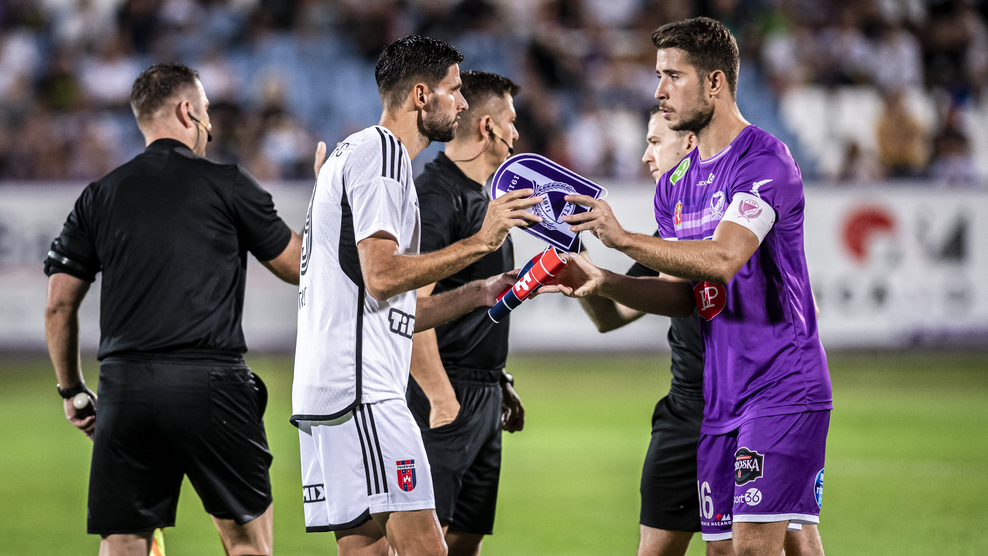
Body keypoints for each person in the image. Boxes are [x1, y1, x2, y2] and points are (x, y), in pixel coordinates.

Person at [549, 17, 832, 556]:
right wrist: (604, 280)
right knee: (726, 549)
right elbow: (685, 295)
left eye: (673, 76)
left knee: (753, 548)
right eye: (659, 75)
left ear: (715, 82)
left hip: (782, 385)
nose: (659, 90)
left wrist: (622, 239)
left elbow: (723, 259)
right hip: (719, 396)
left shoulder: (764, 160)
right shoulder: (676, 186)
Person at [291, 36, 542, 556]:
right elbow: (383, 276)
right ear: (422, 96)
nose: (463, 103)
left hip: (329, 392)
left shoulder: (351, 153)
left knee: (365, 549)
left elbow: (392, 308)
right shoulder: (383, 153)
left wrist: (479, 292)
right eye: (455, 89)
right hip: (363, 392)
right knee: (427, 549)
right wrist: (480, 242)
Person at [44, 62, 302, 556]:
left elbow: (58, 306)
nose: (211, 124)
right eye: (206, 110)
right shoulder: (228, 183)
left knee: (124, 544)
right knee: (247, 544)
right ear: (188, 111)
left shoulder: (99, 195)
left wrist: (73, 391)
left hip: (126, 388)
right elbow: (296, 265)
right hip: (212, 385)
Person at [406, 70, 524, 556]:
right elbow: (409, 308)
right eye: (511, 121)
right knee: (423, 542)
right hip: (444, 391)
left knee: (465, 539)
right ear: (488, 127)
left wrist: (496, 381)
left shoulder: (483, 199)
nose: (517, 133)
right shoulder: (437, 196)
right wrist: (440, 397)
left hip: (481, 390)